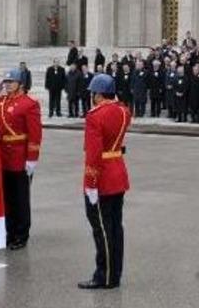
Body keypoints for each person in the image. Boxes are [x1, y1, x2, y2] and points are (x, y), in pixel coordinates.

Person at [78, 74, 131, 290]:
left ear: (98, 94)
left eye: (93, 93)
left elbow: (93, 153)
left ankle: (105, 276)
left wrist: (90, 183)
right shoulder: (123, 111)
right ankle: (114, 272)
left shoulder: (95, 116)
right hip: (118, 171)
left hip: (102, 178)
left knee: (102, 229)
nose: (92, 97)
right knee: (115, 227)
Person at [0, 68, 43, 250]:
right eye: (6, 82)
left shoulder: (29, 104)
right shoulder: (2, 102)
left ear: (20, 84)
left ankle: (21, 234)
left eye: (10, 82)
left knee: (20, 198)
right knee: (6, 197)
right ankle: (9, 231)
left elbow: (35, 133)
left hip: (19, 156)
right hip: (3, 155)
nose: (7, 85)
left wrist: (32, 158)